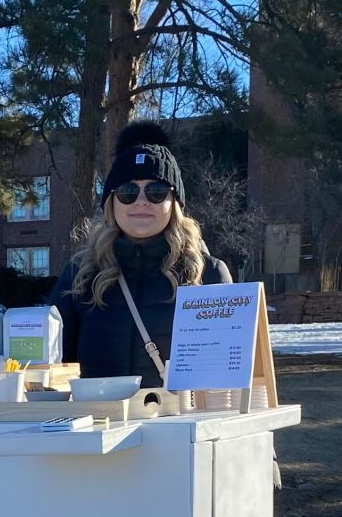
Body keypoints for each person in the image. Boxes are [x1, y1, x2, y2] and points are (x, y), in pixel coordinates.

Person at [52, 121, 232, 388]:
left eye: (156, 191)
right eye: (128, 192)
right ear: (112, 201)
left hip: (175, 414)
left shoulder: (209, 274)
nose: (141, 202)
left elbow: (226, 371)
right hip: (97, 414)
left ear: (174, 202)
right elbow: (53, 366)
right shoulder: (80, 273)